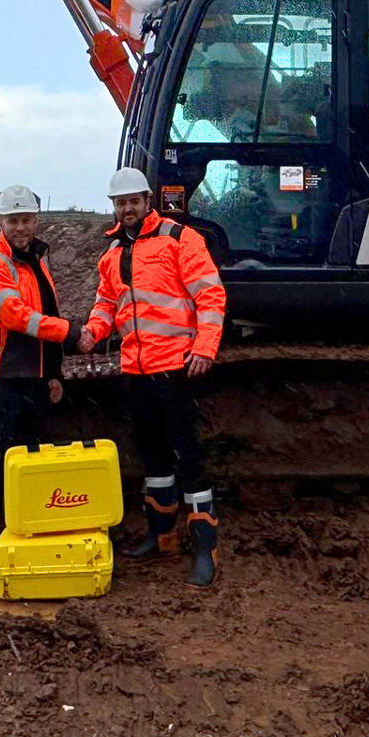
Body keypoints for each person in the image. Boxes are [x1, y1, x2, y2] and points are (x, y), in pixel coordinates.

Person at [78, 167, 229, 589]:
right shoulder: (111, 255)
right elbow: (108, 304)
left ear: (148, 200)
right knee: (154, 457)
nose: (126, 209)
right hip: (136, 369)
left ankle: (204, 547)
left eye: (133, 201)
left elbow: (210, 294)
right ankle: (160, 537)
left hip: (175, 365)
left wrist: (204, 347)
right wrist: (93, 332)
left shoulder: (180, 239)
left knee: (188, 456)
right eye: (120, 203)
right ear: (114, 207)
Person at [0, 184, 79, 594]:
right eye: (14, 220)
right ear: (0, 222)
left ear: (37, 220)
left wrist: (54, 374)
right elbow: (17, 318)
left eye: (27, 219)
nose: (21, 227)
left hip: (33, 378)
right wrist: (71, 333)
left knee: (29, 461)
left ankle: (24, 538)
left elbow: (45, 318)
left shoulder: (37, 264)